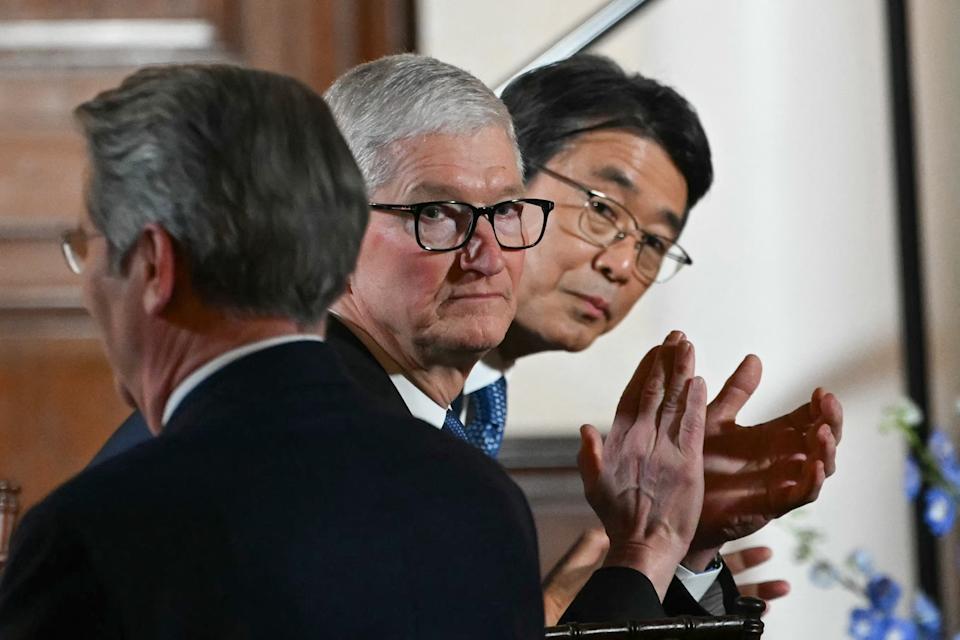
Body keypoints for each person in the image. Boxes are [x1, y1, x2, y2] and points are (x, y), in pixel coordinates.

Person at [0, 64, 544, 639]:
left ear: (155, 264)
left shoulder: (100, 529)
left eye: (88, 248)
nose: (486, 255)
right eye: (435, 213)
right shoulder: (484, 500)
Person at [469, 54, 843, 622]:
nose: (621, 263)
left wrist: (683, 549)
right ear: (501, 182)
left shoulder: (475, 402)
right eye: (601, 209)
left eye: (652, 244)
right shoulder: (356, 387)